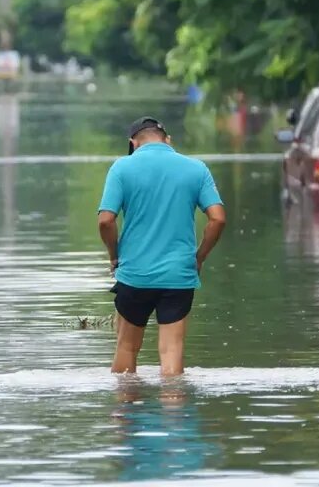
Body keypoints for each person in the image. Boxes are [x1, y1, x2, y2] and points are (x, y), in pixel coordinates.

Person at [97, 117, 227, 376]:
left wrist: (114, 255)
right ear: (168, 140)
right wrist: (199, 257)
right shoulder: (196, 168)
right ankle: (175, 411)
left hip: (134, 273)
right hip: (179, 274)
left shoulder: (122, 168)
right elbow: (218, 218)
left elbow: (105, 221)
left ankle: (126, 412)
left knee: (126, 349)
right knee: (172, 352)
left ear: (133, 143)